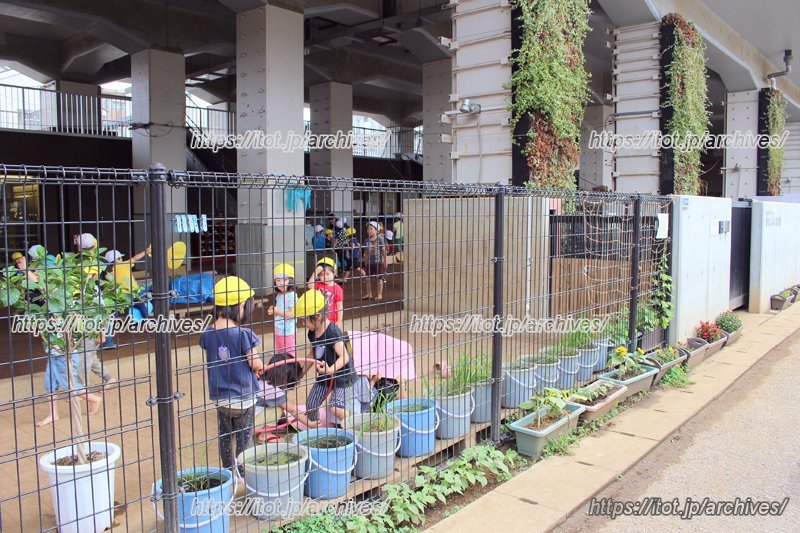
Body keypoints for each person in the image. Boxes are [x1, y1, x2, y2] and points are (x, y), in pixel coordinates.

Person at [200, 276, 264, 472]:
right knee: (245, 436)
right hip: (243, 398)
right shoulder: (243, 334)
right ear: (241, 305)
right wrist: (259, 365)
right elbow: (254, 362)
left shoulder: (208, 333)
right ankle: (244, 471)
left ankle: (228, 471)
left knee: (225, 436)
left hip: (220, 398)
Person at [293, 290, 365, 426]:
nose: (303, 323)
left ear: (318, 316)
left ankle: (356, 427)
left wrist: (330, 369)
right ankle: (316, 429)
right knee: (311, 404)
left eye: (304, 320)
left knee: (335, 407)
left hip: (343, 376)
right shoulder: (313, 332)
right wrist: (301, 373)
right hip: (325, 375)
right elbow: (312, 354)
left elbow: (344, 357)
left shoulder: (333, 332)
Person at [267, 263, 298, 358]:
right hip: (279, 330)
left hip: (288, 332)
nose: (281, 283)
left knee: (289, 355)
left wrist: (277, 312)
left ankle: (291, 372)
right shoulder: (279, 295)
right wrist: (273, 310)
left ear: (291, 281)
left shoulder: (291, 295)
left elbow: (293, 314)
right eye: (278, 280)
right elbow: (279, 309)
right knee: (280, 354)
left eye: (285, 279)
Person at [306, 257, 344, 330]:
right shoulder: (318, 284)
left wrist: (339, 320)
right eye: (321, 275)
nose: (325, 277)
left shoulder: (337, 289)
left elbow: (339, 306)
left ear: (334, 273)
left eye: (327, 274)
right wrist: (315, 273)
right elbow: (310, 285)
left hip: (331, 319)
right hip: (318, 318)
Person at [363, 221, 388, 301]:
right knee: (367, 279)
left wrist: (385, 261)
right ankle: (369, 294)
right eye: (368, 229)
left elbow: (384, 251)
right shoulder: (366, 240)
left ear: (376, 230)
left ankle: (379, 295)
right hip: (370, 263)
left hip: (378, 262)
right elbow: (366, 252)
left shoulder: (380, 239)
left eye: (371, 229)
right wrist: (366, 261)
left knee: (379, 278)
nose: (369, 231)